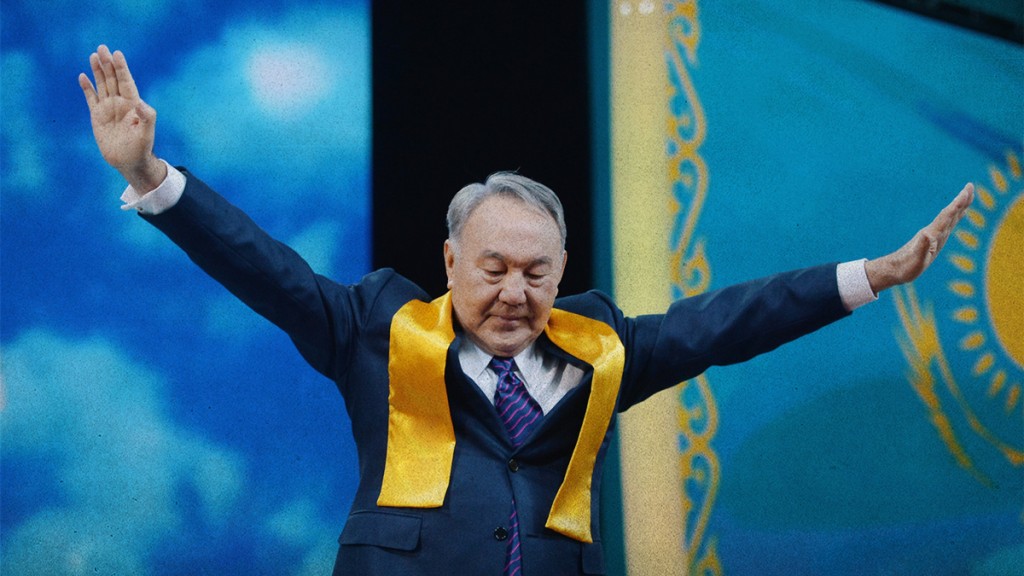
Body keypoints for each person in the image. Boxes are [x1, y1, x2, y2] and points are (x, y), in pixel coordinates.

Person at [79, 45, 973, 576]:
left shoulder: (602, 348)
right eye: (494, 268)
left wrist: (874, 274)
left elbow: (734, 320)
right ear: (449, 262)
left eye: (536, 272)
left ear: (562, 271)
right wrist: (151, 176)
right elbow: (263, 268)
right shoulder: (375, 330)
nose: (516, 292)